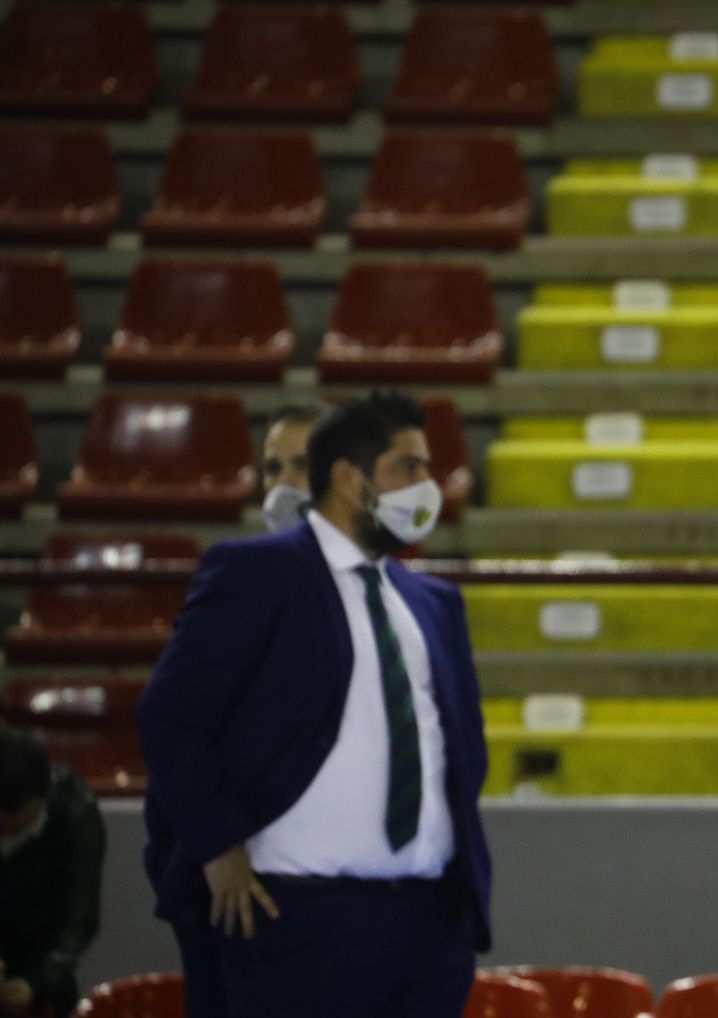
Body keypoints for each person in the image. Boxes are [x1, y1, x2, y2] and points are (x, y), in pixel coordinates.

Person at [140, 391, 491, 1018]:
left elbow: (460, 747)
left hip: (430, 927)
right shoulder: (254, 572)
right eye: (408, 467)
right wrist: (217, 847)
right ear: (351, 480)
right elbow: (172, 718)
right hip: (300, 919)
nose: (426, 486)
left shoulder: (436, 603)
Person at [0, 725, 105, 1018]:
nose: (5, 832)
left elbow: (80, 916)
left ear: (44, 790)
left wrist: (34, 981)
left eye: (13, 824)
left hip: (44, 963)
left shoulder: (75, 810)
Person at [259, 401, 327, 533]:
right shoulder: (241, 554)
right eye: (273, 468)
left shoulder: (373, 552)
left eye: (303, 465)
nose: (283, 481)